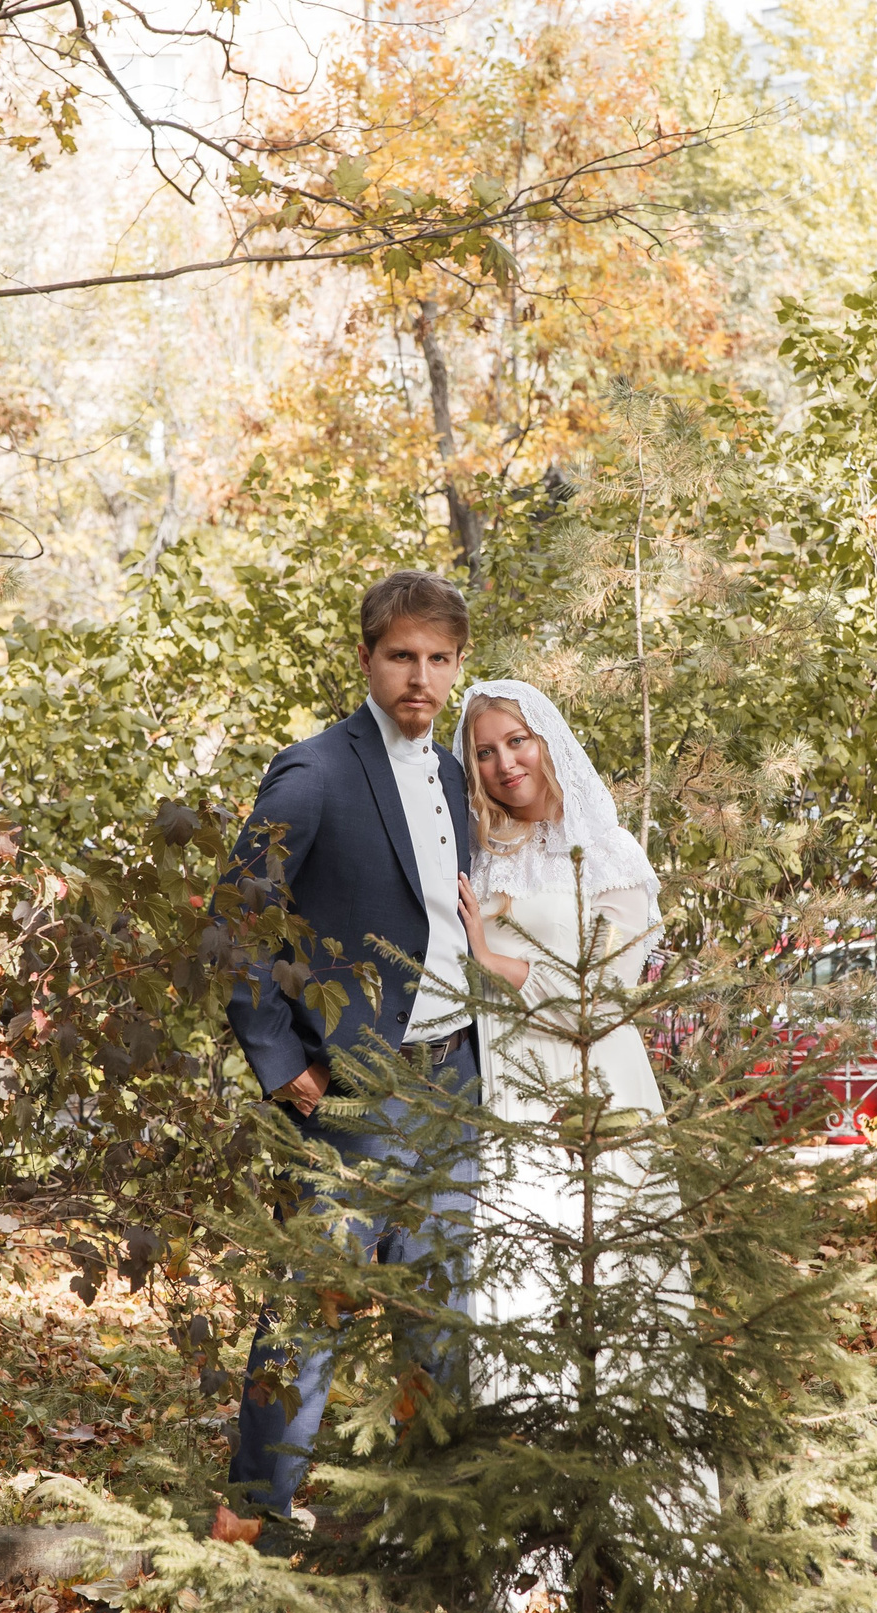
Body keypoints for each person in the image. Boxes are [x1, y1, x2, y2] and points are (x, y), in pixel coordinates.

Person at [222, 569, 481, 1524]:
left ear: (458, 666)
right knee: (309, 1311)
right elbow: (234, 920)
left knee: (442, 1316)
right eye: (402, 656)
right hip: (355, 1093)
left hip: (455, 1086)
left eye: (438, 659)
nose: (421, 676)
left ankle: (432, 1523)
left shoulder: (456, 775)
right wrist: (280, 1056)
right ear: (368, 658)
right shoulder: (316, 770)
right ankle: (250, 1515)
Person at [448, 680, 667, 1362]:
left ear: (548, 742)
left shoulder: (608, 851)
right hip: (506, 1082)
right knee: (520, 1289)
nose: (505, 763)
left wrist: (493, 958)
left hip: (594, 1082)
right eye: (484, 751)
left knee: (614, 1280)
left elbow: (602, 997)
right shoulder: (480, 853)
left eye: (518, 741)